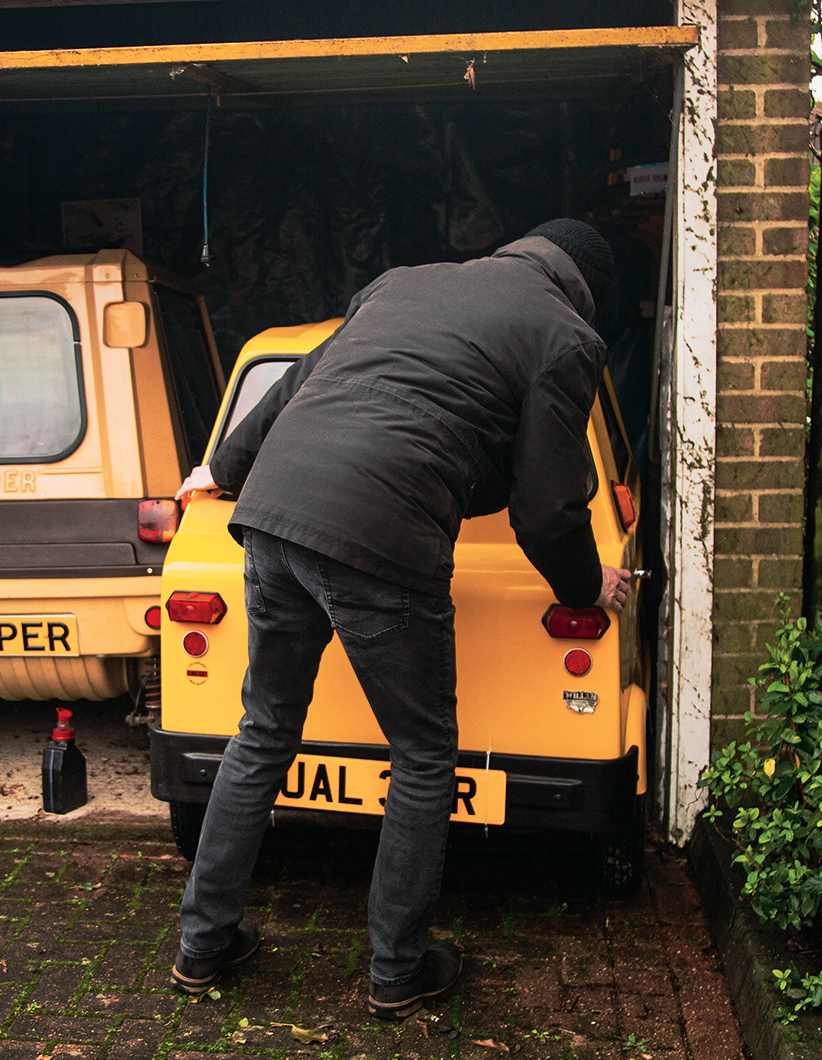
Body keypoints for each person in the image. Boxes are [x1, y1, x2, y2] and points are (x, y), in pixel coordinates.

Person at [167, 219, 632, 1019]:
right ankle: (398, 969)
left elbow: (295, 385)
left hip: (273, 516)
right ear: (586, 290)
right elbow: (547, 511)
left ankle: (202, 947)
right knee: (422, 754)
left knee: (263, 730)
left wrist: (221, 467)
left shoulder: (405, 280)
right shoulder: (567, 336)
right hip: (381, 535)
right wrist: (587, 586)